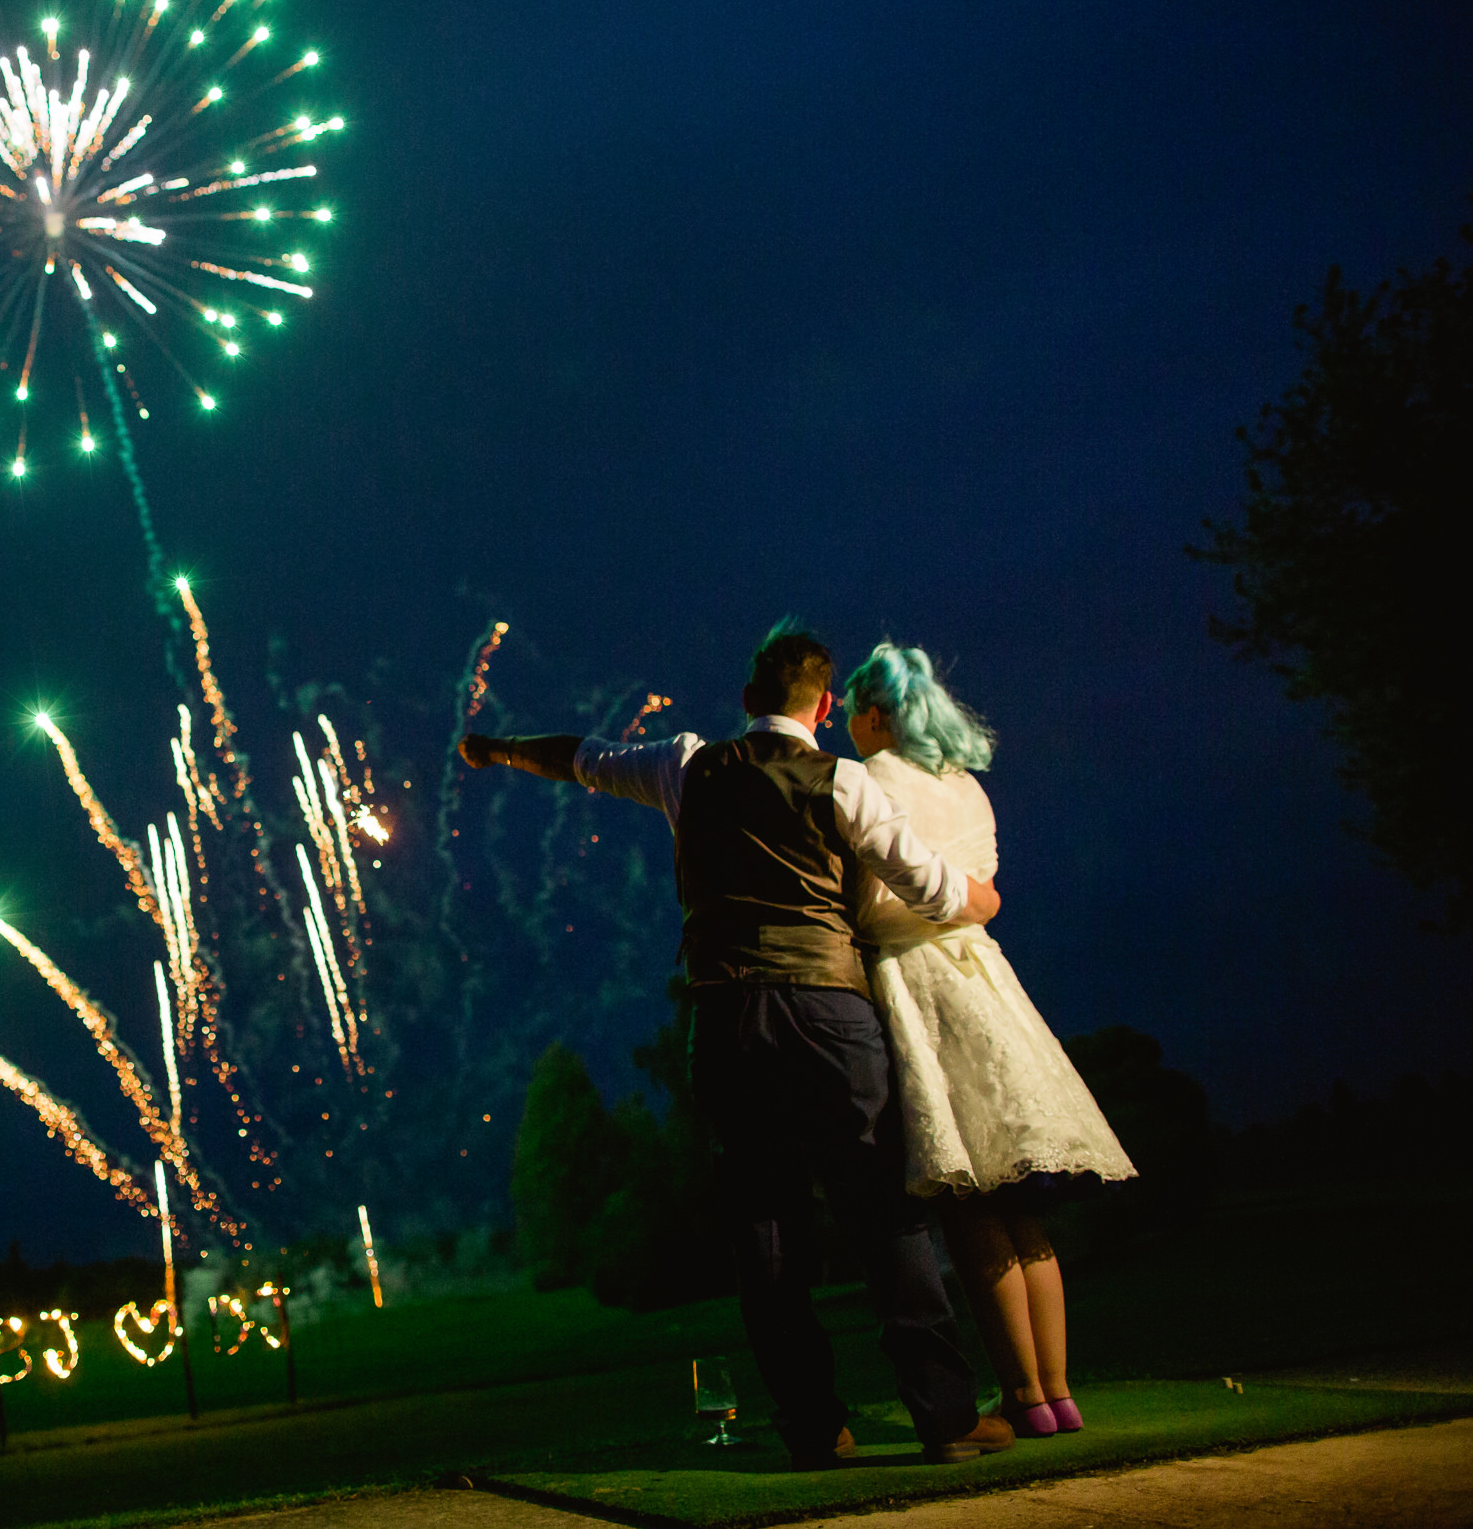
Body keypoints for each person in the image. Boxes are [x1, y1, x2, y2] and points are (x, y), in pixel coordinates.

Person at [462, 623, 1014, 1467]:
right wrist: (979, 896)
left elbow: (581, 755)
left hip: (725, 1016)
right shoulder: (848, 781)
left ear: (750, 696)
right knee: (885, 1214)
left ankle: (811, 1423)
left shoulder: (686, 762)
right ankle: (942, 1416)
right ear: (825, 706)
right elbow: (925, 884)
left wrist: (496, 748)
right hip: (832, 1014)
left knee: (765, 1224)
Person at [841, 641, 1135, 1438]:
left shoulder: (865, 780)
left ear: (873, 714)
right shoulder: (967, 786)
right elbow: (982, 887)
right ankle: (1058, 1388)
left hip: (918, 985)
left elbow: (873, 908)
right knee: (1019, 1206)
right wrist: (969, 904)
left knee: (970, 1202)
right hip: (988, 980)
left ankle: (1020, 1393)